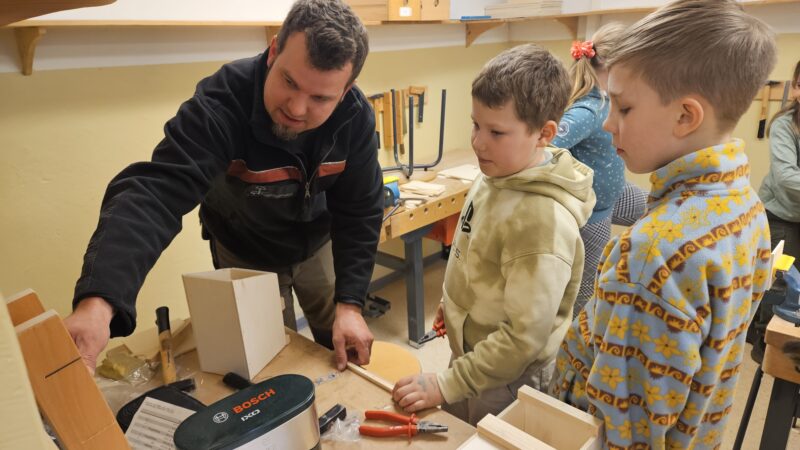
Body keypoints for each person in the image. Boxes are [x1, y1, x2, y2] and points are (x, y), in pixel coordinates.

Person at [63, 0, 383, 373]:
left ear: (346, 90)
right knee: (266, 363)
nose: (296, 108)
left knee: (340, 347)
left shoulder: (355, 117)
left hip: (319, 244)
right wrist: (99, 302)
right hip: (244, 249)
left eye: (320, 98)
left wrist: (350, 304)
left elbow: (360, 209)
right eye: (289, 82)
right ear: (274, 49)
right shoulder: (221, 103)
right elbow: (156, 192)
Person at [551, 0, 776, 448]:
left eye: (624, 108)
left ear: (685, 116)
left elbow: (625, 430)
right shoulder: (747, 205)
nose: (610, 124)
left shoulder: (653, 255)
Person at [392, 44, 596, 426]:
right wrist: (451, 305)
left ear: (544, 134)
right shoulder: (496, 173)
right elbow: (471, 248)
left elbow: (522, 340)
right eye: (476, 125)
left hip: (507, 379)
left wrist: (447, 384)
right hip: (472, 359)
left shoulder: (542, 222)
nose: (477, 142)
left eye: (496, 131)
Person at [551, 23, 648, 317]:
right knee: (585, 289)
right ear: (614, 67)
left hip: (614, 194)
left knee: (661, 207)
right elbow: (546, 147)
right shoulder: (588, 111)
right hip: (592, 213)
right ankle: (572, 342)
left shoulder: (609, 101)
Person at [759, 59, 800, 266]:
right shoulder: (784, 125)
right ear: (794, 88)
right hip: (781, 216)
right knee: (780, 288)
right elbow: (786, 177)